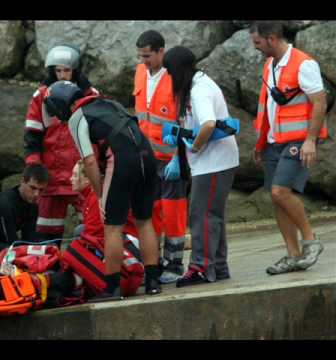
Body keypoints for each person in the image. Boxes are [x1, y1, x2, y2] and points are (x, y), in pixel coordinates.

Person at [44, 80, 162, 297]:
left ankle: (112, 287)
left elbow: (88, 160)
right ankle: (154, 282)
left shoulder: (77, 118)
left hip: (122, 162)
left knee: (112, 226)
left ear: (59, 107)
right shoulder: (110, 104)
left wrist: (99, 195)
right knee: (144, 221)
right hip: (148, 157)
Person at [249, 21, 327, 274]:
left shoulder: (304, 64)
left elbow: (319, 103)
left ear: (271, 39)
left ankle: (310, 240)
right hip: (274, 141)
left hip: (297, 140)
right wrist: (261, 142)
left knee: (281, 191)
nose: (256, 48)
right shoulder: (271, 65)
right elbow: (268, 108)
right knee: (277, 199)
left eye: (258, 42)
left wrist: (310, 140)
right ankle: (293, 255)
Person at [162, 46, 239, 287]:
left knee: (201, 215)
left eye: (170, 72)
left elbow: (208, 124)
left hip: (213, 163)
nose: (168, 78)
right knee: (212, 215)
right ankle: (218, 266)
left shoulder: (199, 90)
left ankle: (200, 268)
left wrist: (194, 147)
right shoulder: (196, 85)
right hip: (213, 162)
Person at [23, 44, 100, 247]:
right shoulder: (40, 97)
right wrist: (35, 166)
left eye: (67, 70)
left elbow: (98, 136)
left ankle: (87, 267)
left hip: (81, 174)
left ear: (75, 70)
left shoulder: (90, 95)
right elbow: (32, 136)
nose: (62, 75)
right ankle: (48, 270)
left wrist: (94, 168)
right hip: (51, 175)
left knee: (92, 225)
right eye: (58, 70)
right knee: (46, 231)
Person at [134, 30, 189, 283]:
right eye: (141, 56)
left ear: (160, 52)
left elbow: (182, 117)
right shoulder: (139, 73)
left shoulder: (174, 75)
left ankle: (175, 263)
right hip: (147, 157)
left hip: (171, 158)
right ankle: (152, 263)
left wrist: (179, 155)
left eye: (148, 56)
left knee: (173, 211)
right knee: (151, 211)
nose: (144, 61)